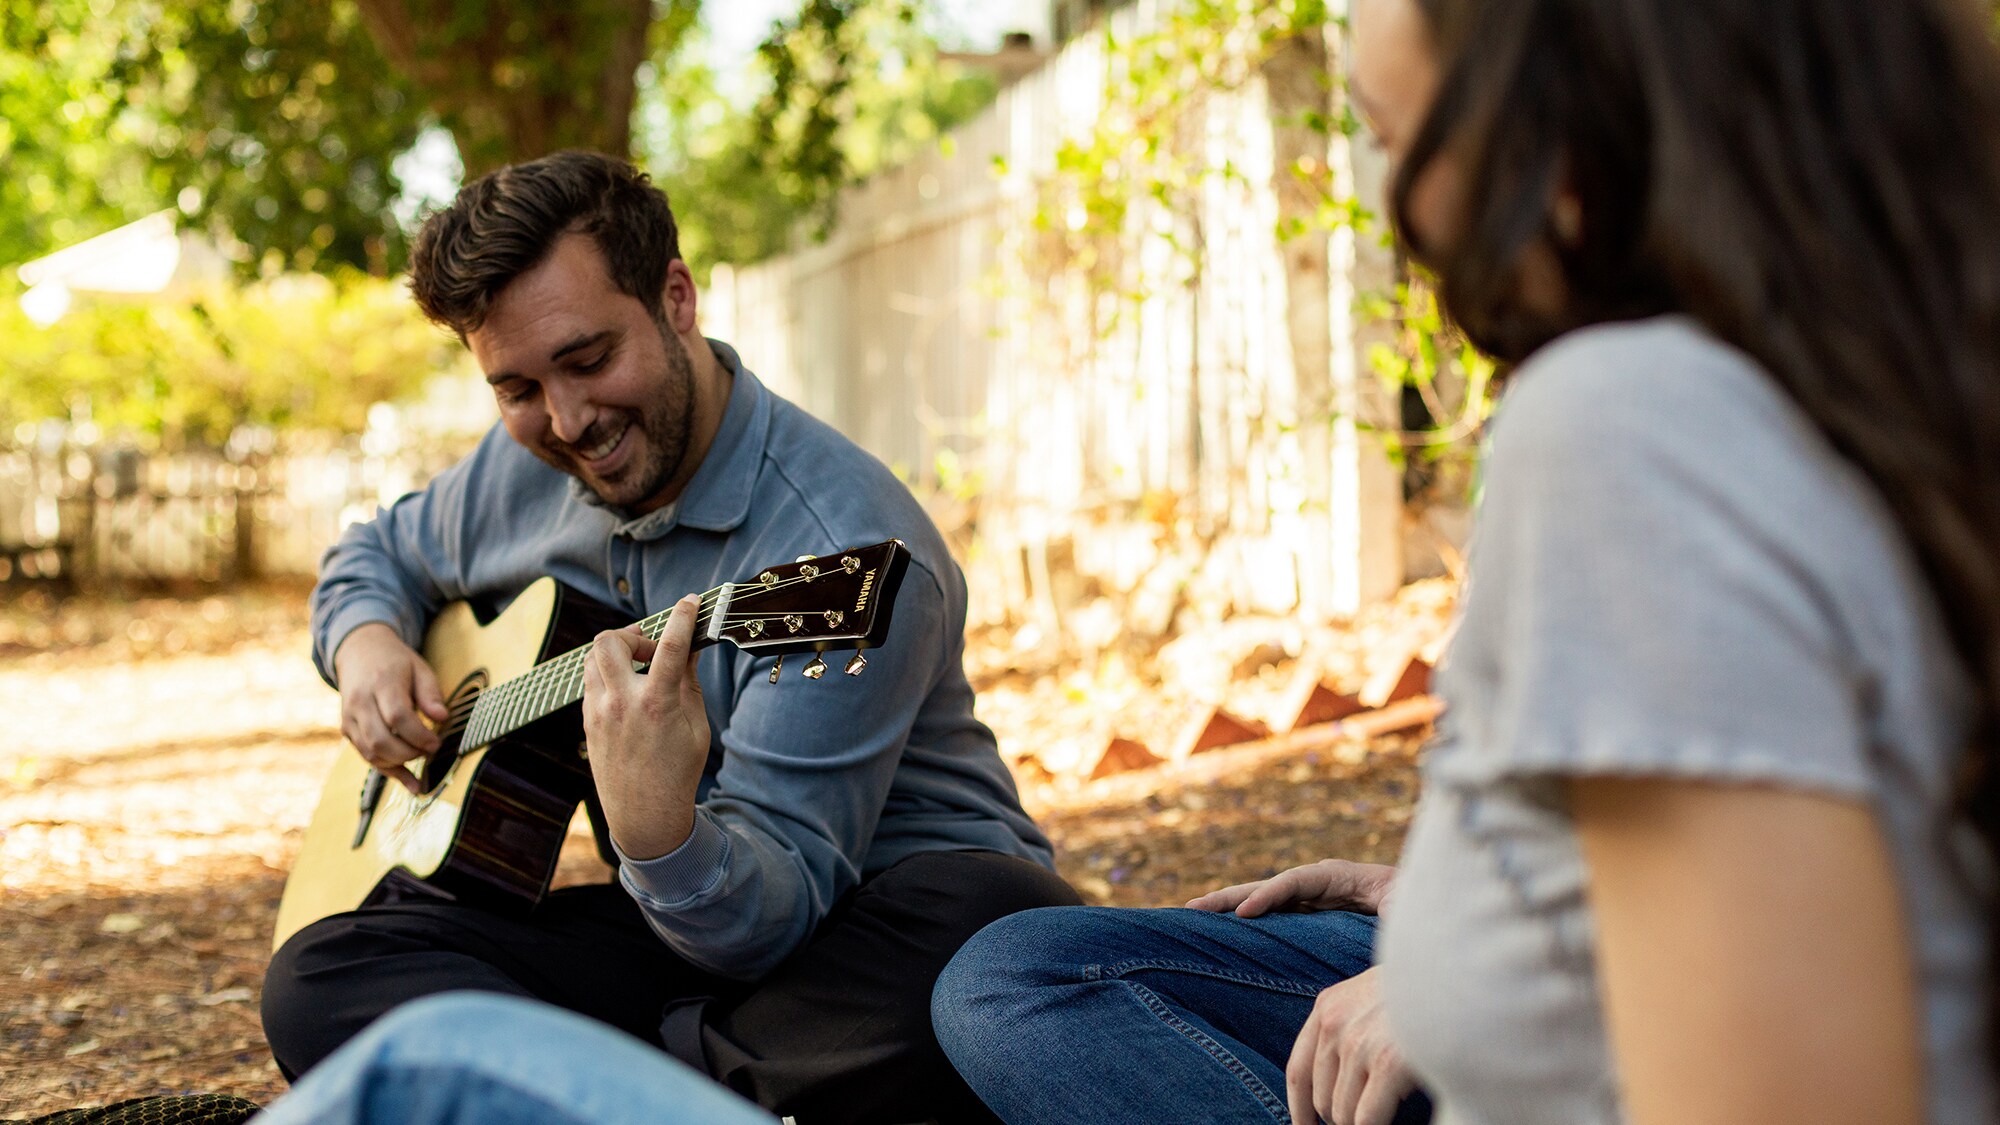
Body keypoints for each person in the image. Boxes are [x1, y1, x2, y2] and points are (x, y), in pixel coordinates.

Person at [934, 0, 2000, 1123]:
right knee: (1019, 975)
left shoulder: (1631, 424)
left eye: (1391, 143)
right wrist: (1447, 896)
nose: (1393, 213)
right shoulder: (1886, 387)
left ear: (1560, 130)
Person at [260, 150, 1078, 1125]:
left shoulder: (842, 550)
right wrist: (364, 645)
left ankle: (603, 1087)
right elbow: (377, 552)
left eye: (588, 358)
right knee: (323, 971)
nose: (567, 420)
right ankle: (688, 1088)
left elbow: (767, 923)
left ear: (677, 299)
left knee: (975, 947)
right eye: (516, 388)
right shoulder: (524, 466)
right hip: (685, 941)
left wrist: (654, 827)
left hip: (867, 917)